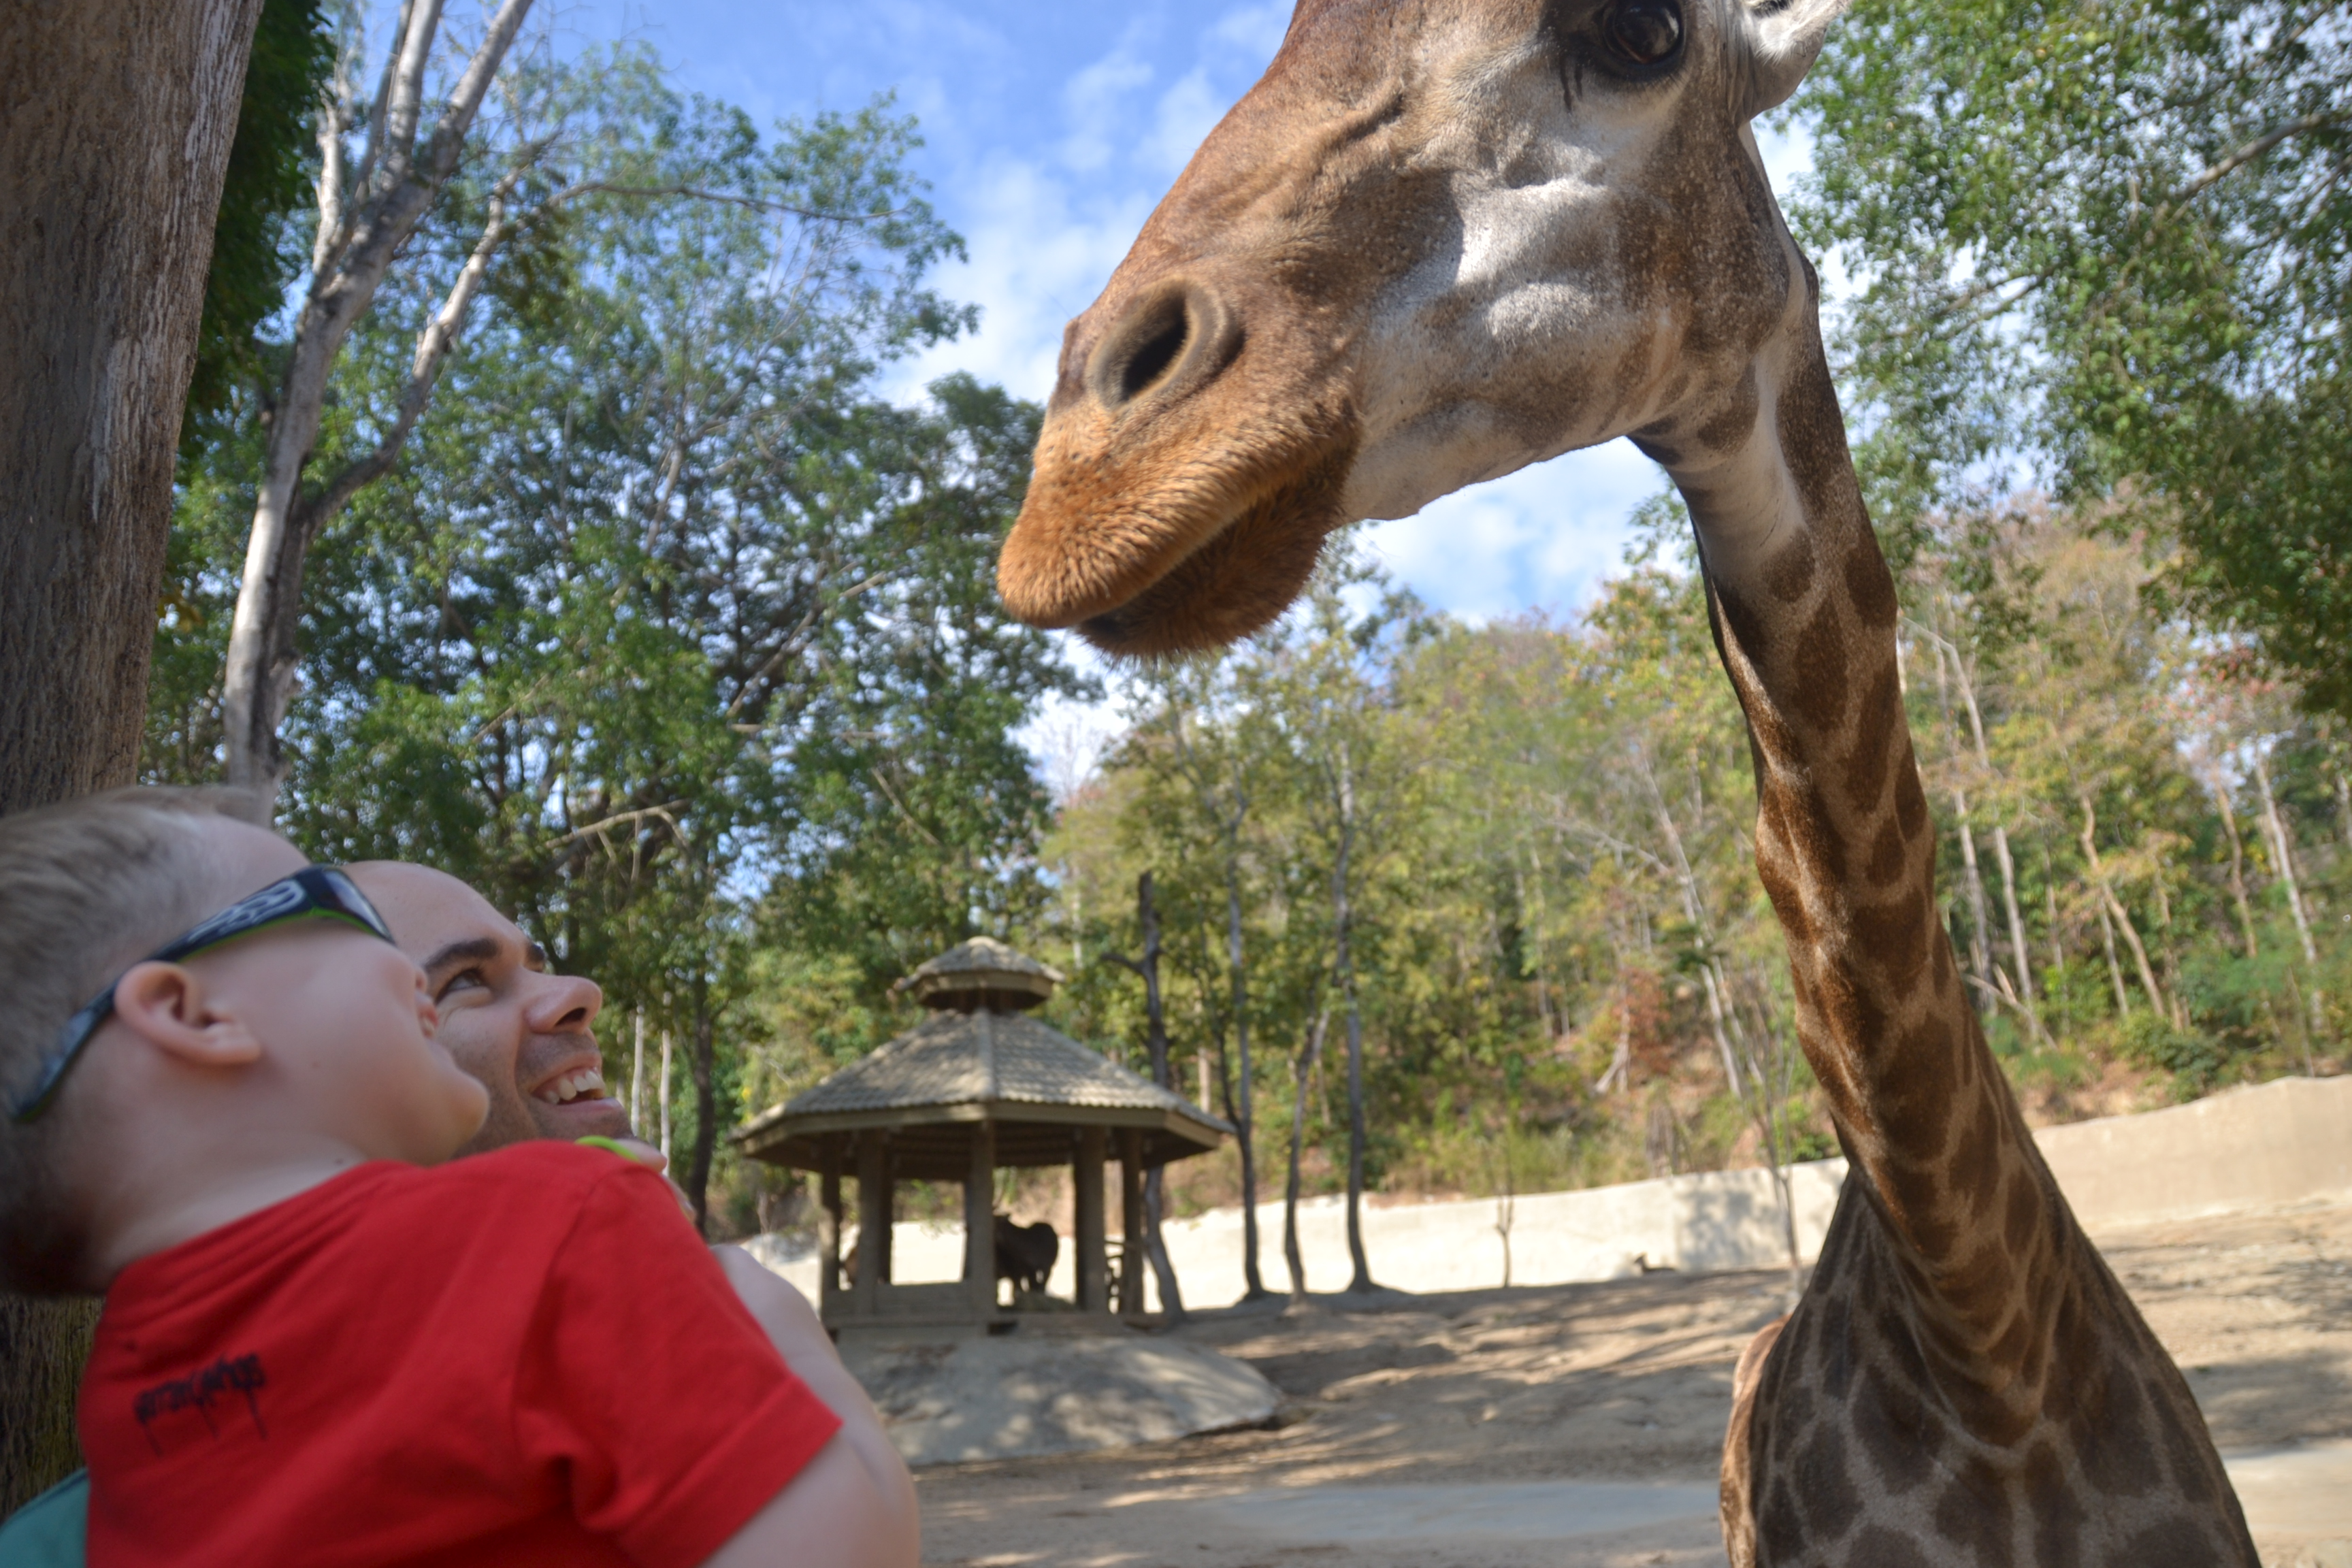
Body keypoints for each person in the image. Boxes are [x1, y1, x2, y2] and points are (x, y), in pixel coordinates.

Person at [0, 787, 915, 1567]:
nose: (401, 971)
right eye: (333, 907)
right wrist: (762, 1314)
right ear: (192, 1014)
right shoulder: (562, 1225)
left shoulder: (127, 1420)